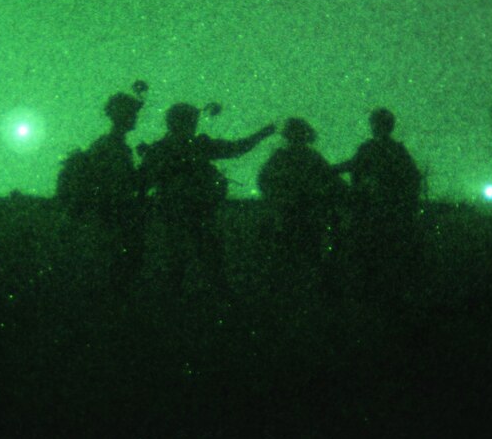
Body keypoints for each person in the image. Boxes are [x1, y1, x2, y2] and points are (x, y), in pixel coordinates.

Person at [141, 102, 275, 295]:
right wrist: (264, 132)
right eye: (191, 120)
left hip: (180, 216)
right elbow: (237, 148)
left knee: (182, 265)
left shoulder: (160, 150)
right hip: (194, 216)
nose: (194, 124)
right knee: (203, 263)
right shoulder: (197, 146)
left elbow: (144, 183)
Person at [59, 84, 148, 293]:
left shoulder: (110, 145)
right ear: (122, 116)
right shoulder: (111, 147)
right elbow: (120, 185)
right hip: (110, 217)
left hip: (107, 217)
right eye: (131, 113)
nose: (135, 118)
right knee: (114, 274)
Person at [333, 108, 422, 300]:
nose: (374, 127)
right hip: (377, 212)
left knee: (376, 255)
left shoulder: (386, 150)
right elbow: (352, 165)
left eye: (376, 123)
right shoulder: (388, 150)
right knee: (375, 256)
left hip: (380, 213)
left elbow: (411, 179)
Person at [257, 118, 345, 288]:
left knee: (296, 255)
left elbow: (264, 181)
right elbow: (334, 181)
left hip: (299, 215)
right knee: (304, 254)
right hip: (300, 214)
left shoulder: (286, 157)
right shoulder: (305, 157)